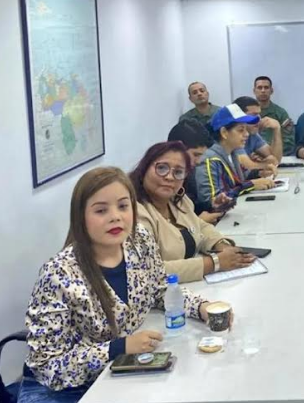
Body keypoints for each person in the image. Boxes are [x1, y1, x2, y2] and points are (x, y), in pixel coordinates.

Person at [19, 167, 227, 402]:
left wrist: (201, 307)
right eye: (101, 210)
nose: (115, 217)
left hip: (118, 373)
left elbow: (160, 288)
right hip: (62, 390)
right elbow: (47, 366)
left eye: (123, 206)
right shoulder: (58, 274)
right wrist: (119, 348)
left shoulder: (139, 240)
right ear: (80, 216)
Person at [131, 141, 256, 283]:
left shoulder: (178, 199)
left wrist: (221, 245)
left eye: (178, 172)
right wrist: (214, 263)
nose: (169, 177)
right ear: (144, 169)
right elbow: (149, 271)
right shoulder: (134, 213)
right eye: (161, 168)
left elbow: (200, 226)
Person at [196, 104, 275, 206]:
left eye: (246, 129)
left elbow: (240, 180)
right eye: (241, 130)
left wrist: (260, 173)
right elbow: (212, 201)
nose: (246, 134)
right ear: (224, 132)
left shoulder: (232, 153)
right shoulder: (210, 160)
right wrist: (251, 185)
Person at [167, 119, 233, 224]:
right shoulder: (162, 180)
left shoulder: (187, 173)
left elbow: (188, 206)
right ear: (178, 148)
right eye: (195, 155)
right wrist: (198, 223)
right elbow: (164, 228)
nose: (198, 161)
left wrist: (211, 205)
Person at [233, 96, 281, 175]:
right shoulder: (232, 136)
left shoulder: (252, 134)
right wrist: (265, 164)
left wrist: (277, 130)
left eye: (259, 114)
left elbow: (275, 159)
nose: (259, 119)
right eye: (254, 115)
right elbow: (246, 167)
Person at [253, 76, 296, 156]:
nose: (263, 91)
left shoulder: (281, 113)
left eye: (266, 87)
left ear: (271, 91)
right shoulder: (247, 113)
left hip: (276, 156)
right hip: (252, 156)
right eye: (259, 88)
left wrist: (270, 152)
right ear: (254, 91)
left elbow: (288, 142)